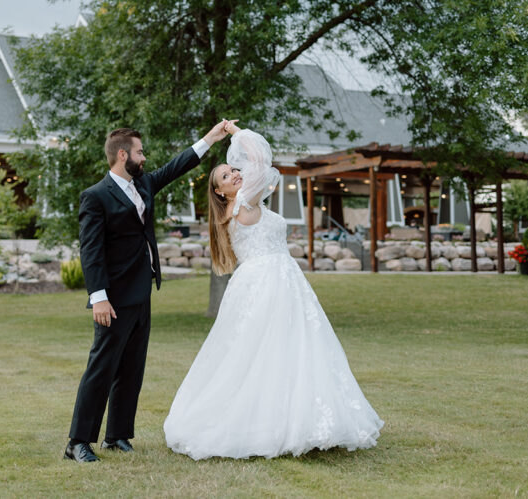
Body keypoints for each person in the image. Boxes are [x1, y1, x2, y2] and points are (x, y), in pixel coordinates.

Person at [163, 121, 384, 460]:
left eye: (234, 170)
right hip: (265, 284)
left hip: (285, 281)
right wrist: (235, 134)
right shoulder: (243, 204)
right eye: (226, 176)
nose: (235, 175)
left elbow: (259, 168)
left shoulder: (251, 203)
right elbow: (262, 163)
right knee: (261, 351)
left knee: (295, 348)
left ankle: (302, 417)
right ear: (221, 192)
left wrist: (237, 146)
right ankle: (264, 423)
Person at [65, 122, 229, 463]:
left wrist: (211, 138)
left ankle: (118, 435)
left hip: (142, 292)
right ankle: (78, 441)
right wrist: (99, 297)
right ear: (123, 155)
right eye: (139, 152)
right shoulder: (95, 196)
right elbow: (91, 251)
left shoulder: (143, 183)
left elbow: (176, 166)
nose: (144, 157)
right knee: (102, 367)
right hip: (113, 297)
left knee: (132, 367)